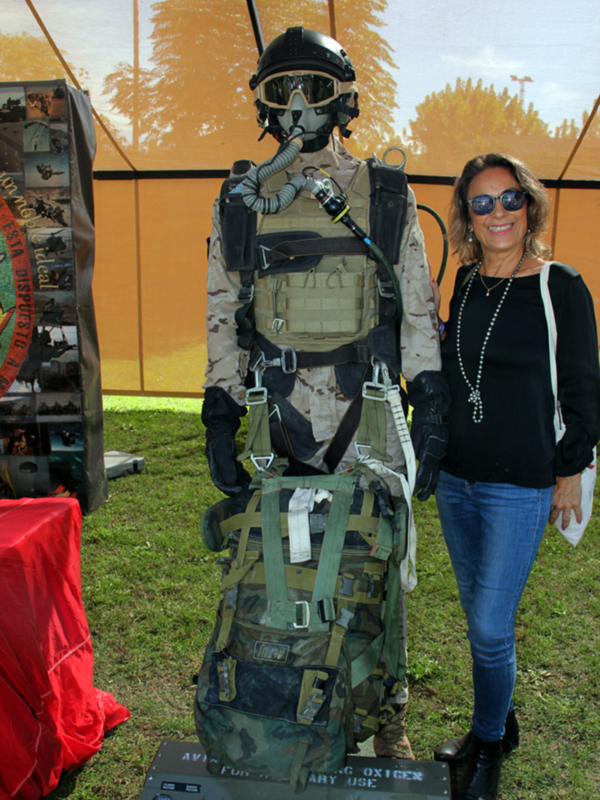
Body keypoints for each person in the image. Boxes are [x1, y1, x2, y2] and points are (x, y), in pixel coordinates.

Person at [201, 26, 450, 760]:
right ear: (264, 106)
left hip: (364, 415)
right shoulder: (243, 203)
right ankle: (278, 702)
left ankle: (383, 720)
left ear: (344, 100)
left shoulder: (387, 195)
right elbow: (224, 308)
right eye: (283, 90)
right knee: (271, 566)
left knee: (376, 568)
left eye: (313, 87)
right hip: (273, 417)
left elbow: (412, 301)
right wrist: (220, 408)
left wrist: (430, 400)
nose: (300, 106)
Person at [432, 153, 600, 800]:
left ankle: (489, 743)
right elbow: (455, 370)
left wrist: (571, 469)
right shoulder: (467, 283)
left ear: (529, 206)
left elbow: (585, 388)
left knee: (489, 628)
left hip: (522, 484)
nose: (497, 212)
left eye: (509, 199)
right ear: (467, 217)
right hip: (457, 479)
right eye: (481, 203)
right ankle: (500, 719)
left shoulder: (562, 285)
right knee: (482, 617)